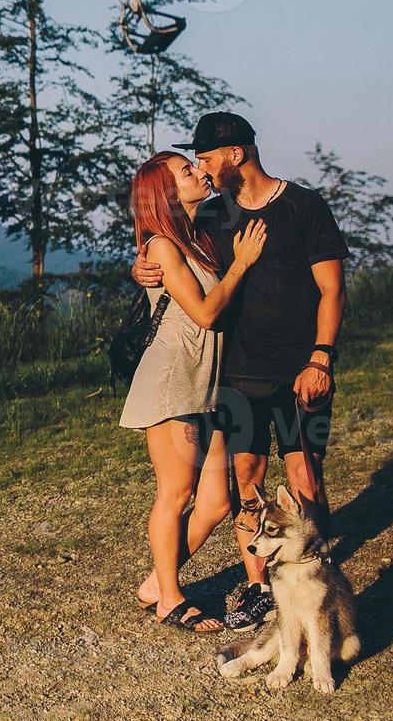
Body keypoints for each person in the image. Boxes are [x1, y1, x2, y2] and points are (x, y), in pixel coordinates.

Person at [133, 112, 349, 632]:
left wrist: (321, 358)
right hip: (236, 376)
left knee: (306, 479)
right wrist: (138, 266)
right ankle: (258, 587)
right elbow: (168, 253)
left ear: (236, 153)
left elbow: (332, 290)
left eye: (205, 158)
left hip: (302, 372)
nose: (202, 170)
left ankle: (312, 573)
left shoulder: (303, 206)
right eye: (194, 164)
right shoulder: (210, 216)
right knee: (246, 484)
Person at [125, 151, 267, 633]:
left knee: (215, 502)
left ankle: (154, 583)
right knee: (176, 493)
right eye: (187, 171)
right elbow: (206, 313)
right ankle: (169, 598)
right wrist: (242, 264)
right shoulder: (162, 246)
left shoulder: (195, 235)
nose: (199, 172)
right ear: (166, 191)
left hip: (204, 385)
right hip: (170, 385)